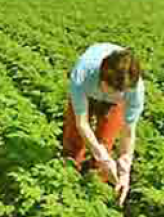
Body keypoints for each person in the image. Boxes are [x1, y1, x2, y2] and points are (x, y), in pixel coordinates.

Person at [61, 43, 145, 204]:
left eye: (117, 92)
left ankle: (94, 193)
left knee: (105, 142)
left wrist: (124, 170)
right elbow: (82, 123)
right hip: (86, 93)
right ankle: (67, 176)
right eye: (109, 89)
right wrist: (103, 158)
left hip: (115, 104)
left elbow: (128, 132)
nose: (110, 94)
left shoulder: (134, 89)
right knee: (74, 138)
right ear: (101, 76)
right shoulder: (83, 73)